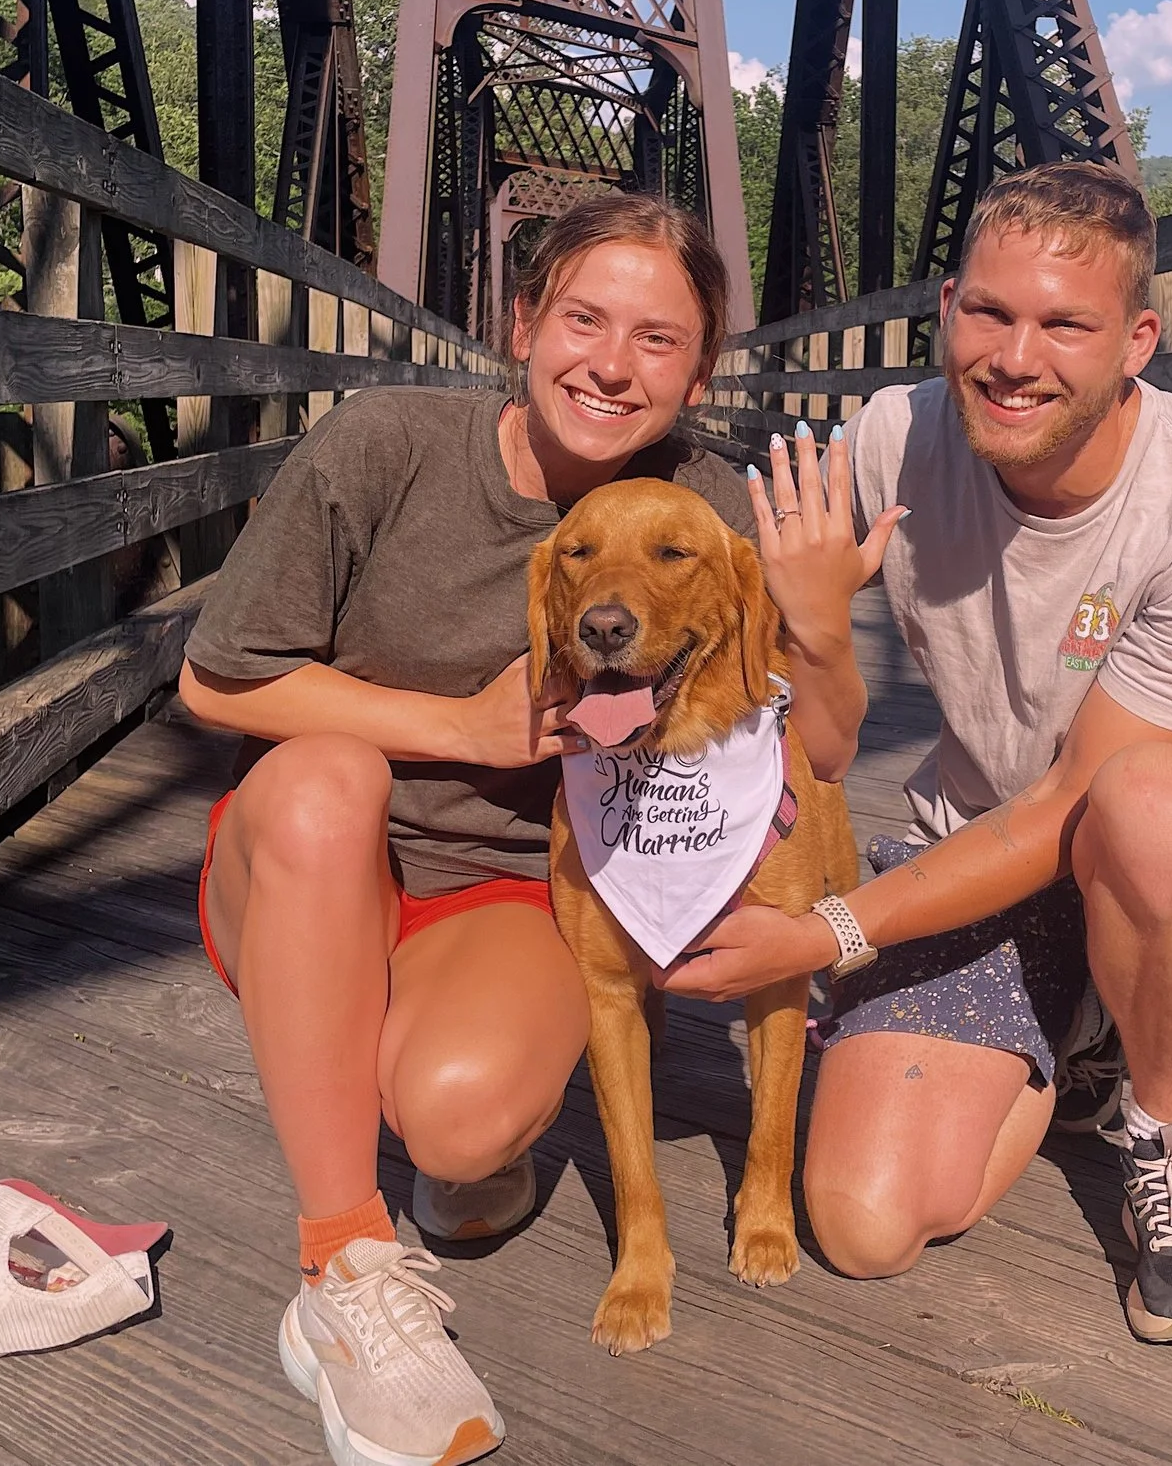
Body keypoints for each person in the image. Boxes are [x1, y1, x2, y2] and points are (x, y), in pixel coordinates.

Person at [177, 191, 898, 1466]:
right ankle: (343, 1267)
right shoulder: (385, 444)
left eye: (659, 340)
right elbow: (215, 680)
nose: (612, 365)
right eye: (582, 319)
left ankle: (432, 1088)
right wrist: (465, 727)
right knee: (322, 778)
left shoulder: (710, 503)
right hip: (308, 863)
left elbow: (821, 742)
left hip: (505, 887)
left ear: (700, 366)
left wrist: (825, 625)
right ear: (524, 322)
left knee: (457, 1122)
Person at [661, 161, 1172, 1345]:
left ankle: (1167, 1136)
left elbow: (1078, 799)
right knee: (865, 1227)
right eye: (990, 311)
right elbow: (815, 735)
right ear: (946, 308)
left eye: (1064, 325)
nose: (1015, 357)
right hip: (975, 841)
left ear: (1136, 341)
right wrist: (814, 625)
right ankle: (1072, 1026)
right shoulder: (891, 440)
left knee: (1151, 803)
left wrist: (831, 931)